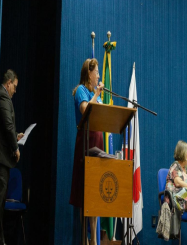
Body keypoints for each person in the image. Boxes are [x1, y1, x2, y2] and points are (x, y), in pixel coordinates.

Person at [69, 58, 104, 245]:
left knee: (96, 195)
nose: (98, 75)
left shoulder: (96, 95)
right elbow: (85, 110)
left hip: (98, 146)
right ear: (88, 73)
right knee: (85, 195)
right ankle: (84, 240)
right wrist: (96, 94)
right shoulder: (81, 91)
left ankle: (95, 241)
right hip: (86, 145)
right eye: (96, 71)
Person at [0, 69, 24, 245]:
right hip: (1, 158)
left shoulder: (2, 95)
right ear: (9, 83)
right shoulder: (3, 96)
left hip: (1, 157)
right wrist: (15, 148)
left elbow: (9, 128)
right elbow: (7, 123)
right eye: (15, 87)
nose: (15, 91)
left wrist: (16, 135)